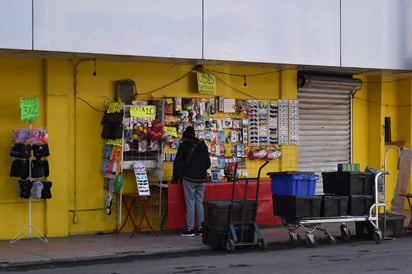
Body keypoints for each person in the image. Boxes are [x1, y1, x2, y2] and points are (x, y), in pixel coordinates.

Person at [172, 126, 211, 237]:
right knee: (199, 202)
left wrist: (175, 177)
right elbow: (208, 164)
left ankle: (190, 229)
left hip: (189, 178)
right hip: (202, 179)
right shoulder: (203, 146)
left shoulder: (184, 146)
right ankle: (200, 227)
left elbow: (177, 162)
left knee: (190, 202)